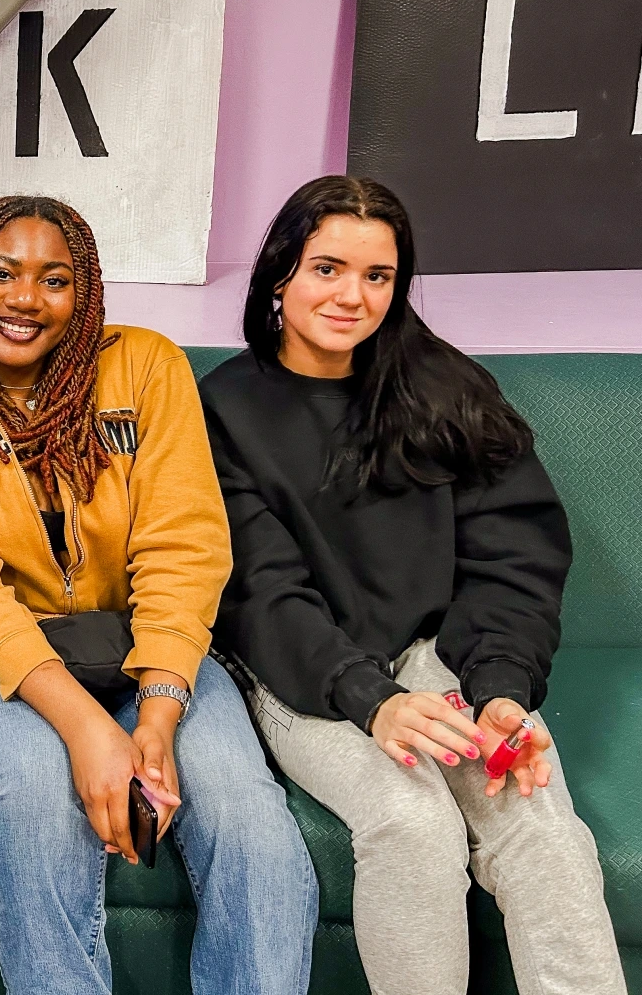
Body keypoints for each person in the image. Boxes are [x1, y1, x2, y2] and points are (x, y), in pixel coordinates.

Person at [0, 195, 317, 995]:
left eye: (55, 280)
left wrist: (156, 711)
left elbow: (184, 544)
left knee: (250, 816)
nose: (22, 299)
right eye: (0, 273)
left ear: (87, 296)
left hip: (143, 631)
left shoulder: (148, 366)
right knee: (34, 796)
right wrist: (87, 731)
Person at [200, 175, 626, 995]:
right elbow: (259, 589)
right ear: (280, 272)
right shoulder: (223, 409)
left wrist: (501, 688)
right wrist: (371, 699)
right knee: (411, 821)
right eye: (327, 268)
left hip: (446, 656)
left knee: (538, 826)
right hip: (308, 673)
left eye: (377, 276)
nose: (351, 296)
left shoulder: (447, 387)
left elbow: (515, 554)